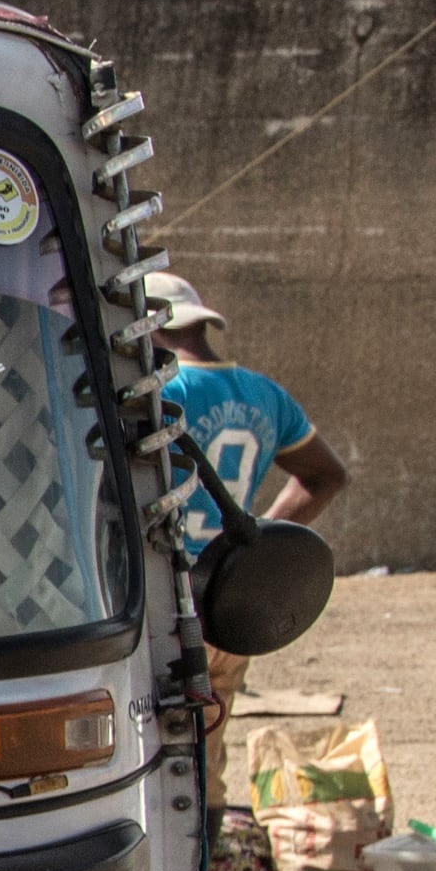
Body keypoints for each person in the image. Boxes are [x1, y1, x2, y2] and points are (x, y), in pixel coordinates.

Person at [140, 273, 356, 802]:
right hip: (228, 607)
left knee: (148, 760)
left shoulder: (158, 392)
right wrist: (252, 549)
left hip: (163, 606)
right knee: (206, 756)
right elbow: (326, 475)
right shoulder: (266, 395)